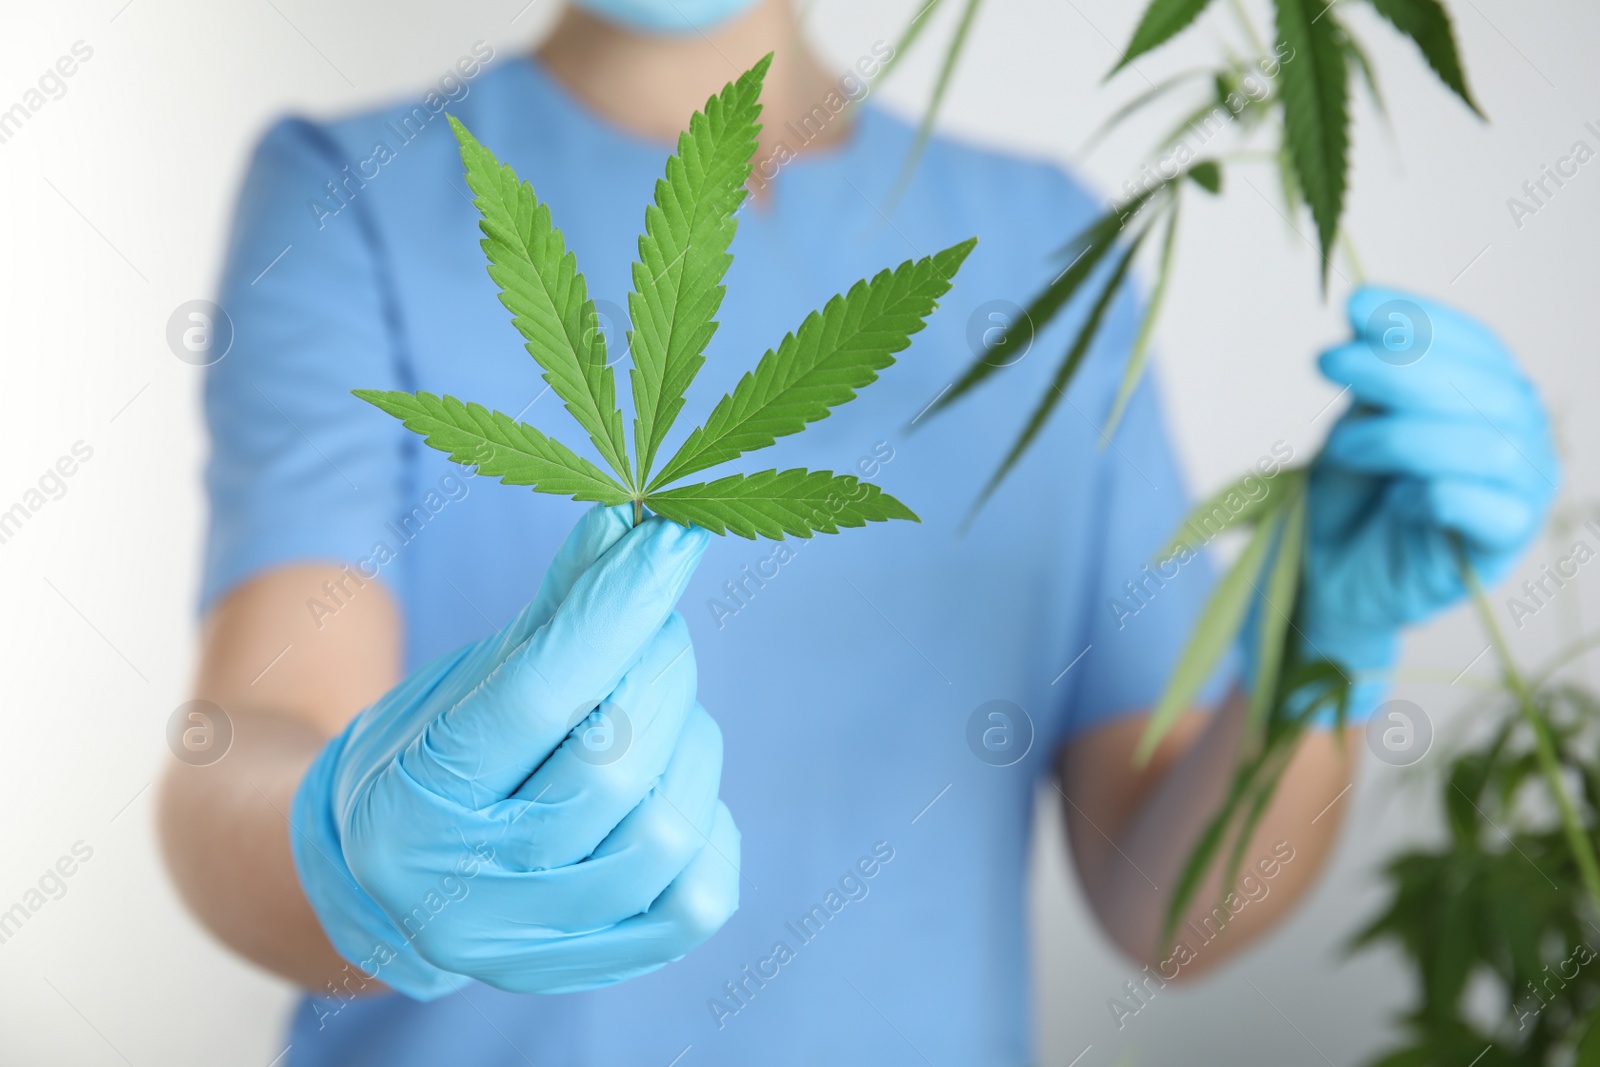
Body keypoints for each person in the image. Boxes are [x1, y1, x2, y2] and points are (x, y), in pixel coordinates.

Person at [156, 0, 1558, 1063]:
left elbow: (1167, 909)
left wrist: (1322, 637)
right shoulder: (353, 197)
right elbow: (240, 743)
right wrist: (358, 858)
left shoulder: (1040, 250)